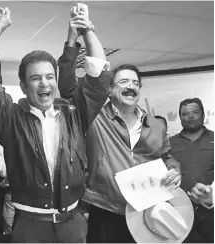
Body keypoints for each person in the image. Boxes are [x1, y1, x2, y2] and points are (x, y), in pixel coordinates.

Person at [0, 4, 111, 242]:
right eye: (35, 78)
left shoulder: (74, 113)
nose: (44, 84)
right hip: (30, 228)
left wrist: (86, 30)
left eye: (49, 77)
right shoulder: (11, 119)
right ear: (24, 87)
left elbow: (100, 77)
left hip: (73, 225)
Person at [58, 47, 181, 243]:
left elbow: (167, 158)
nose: (131, 87)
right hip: (106, 208)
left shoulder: (156, 124)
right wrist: (72, 44)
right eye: (123, 82)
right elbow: (68, 89)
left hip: (147, 210)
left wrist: (174, 170)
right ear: (109, 89)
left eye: (135, 83)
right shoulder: (94, 117)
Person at [170, 98, 214, 243]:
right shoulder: (170, 144)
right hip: (180, 211)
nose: (190, 116)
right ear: (180, 118)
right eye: (185, 114)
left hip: (211, 210)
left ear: (203, 115)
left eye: (195, 112)